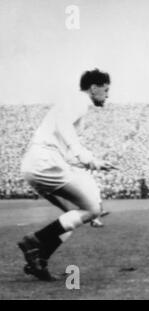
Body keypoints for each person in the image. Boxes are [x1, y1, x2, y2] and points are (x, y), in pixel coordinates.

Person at [18, 69, 117, 280]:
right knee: (92, 209)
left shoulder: (72, 104)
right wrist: (85, 156)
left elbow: (66, 148)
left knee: (72, 217)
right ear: (93, 88)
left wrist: (95, 162)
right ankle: (34, 241)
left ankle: (39, 260)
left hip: (36, 163)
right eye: (106, 90)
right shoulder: (79, 101)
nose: (107, 95)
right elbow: (64, 127)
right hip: (46, 162)